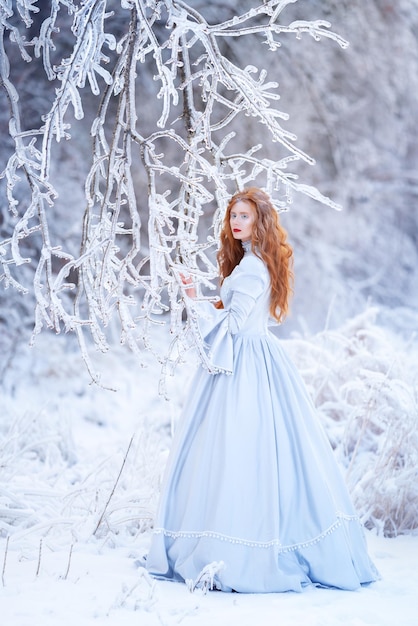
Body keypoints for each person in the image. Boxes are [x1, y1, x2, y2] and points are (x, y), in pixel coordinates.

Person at [146, 187, 379, 593]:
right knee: (260, 455)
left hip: (245, 368)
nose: (236, 222)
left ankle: (243, 549)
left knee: (237, 454)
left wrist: (188, 297)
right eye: (233, 215)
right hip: (256, 360)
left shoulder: (253, 268)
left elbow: (233, 328)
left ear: (260, 222)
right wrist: (206, 298)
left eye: (245, 217)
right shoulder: (253, 262)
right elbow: (237, 314)